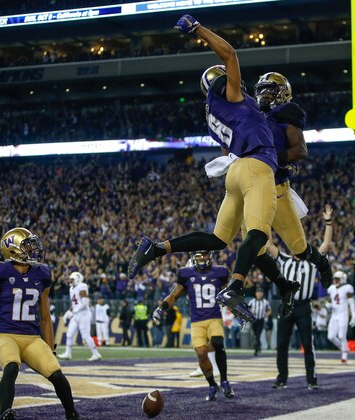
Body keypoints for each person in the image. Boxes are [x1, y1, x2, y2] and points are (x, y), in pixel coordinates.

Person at [128, 14, 298, 325]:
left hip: (235, 173)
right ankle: (235, 286)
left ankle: (157, 247)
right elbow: (230, 53)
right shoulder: (231, 95)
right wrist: (198, 30)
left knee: (218, 239)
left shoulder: (213, 114)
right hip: (256, 166)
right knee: (258, 235)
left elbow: (228, 148)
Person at [0, 227, 80, 420]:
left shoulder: (42, 273)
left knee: (56, 374)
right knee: (11, 367)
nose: (33, 249)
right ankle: (6, 413)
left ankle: (72, 413)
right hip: (6, 334)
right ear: (12, 249)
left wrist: (50, 347)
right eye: (27, 245)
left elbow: (45, 316)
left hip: (32, 338)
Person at [250, 71, 333, 296]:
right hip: (252, 190)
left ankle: (323, 264)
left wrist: (271, 157)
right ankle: (282, 287)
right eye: (261, 90)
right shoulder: (255, 115)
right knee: (252, 250)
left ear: (282, 92)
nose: (264, 94)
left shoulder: (286, 113)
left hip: (276, 188)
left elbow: (300, 151)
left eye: (270, 89)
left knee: (298, 247)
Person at [152, 250, 234, 401]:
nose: (202, 258)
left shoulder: (220, 272)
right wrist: (161, 308)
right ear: (192, 259)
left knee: (217, 342)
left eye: (205, 255)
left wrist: (236, 306)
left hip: (214, 318)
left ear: (211, 256)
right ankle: (212, 385)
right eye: (198, 256)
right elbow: (174, 295)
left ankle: (225, 381)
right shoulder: (186, 274)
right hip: (197, 322)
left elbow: (230, 292)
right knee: (201, 353)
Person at [271, 205, 333, 390]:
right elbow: (267, 244)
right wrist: (263, 218)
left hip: (304, 307)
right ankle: (282, 378)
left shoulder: (311, 262)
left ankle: (311, 379)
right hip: (287, 304)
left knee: (307, 343)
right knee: (282, 344)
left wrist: (328, 222)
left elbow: (325, 245)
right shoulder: (283, 259)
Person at [58, 272, 102, 361]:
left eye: (72, 279)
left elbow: (85, 302)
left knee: (86, 336)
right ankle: (68, 353)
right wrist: (69, 311)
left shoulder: (82, 286)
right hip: (76, 314)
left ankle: (96, 354)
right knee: (69, 334)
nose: (70, 281)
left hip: (84, 314)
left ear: (78, 279)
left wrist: (74, 311)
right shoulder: (71, 288)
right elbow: (75, 303)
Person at [327, 271, 355, 364]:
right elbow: (329, 300)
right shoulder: (331, 288)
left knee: (341, 336)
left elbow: (351, 303)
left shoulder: (347, 288)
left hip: (343, 314)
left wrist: (354, 316)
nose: (335, 280)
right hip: (334, 314)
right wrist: (328, 304)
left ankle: (344, 356)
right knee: (330, 337)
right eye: (335, 279)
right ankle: (344, 348)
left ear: (343, 279)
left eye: (337, 279)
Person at [249, 287, 272, 356]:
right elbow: (247, 309)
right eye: (258, 292)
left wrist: (266, 314)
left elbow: (270, 310)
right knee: (255, 334)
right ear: (255, 293)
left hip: (261, 320)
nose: (259, 294)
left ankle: (256, 349)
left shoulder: (265, 302)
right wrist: (251, 312)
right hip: (254, 320)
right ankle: (258, 346)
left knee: (258, 334)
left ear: (262, 294)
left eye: (260, 293)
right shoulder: (252, 301)